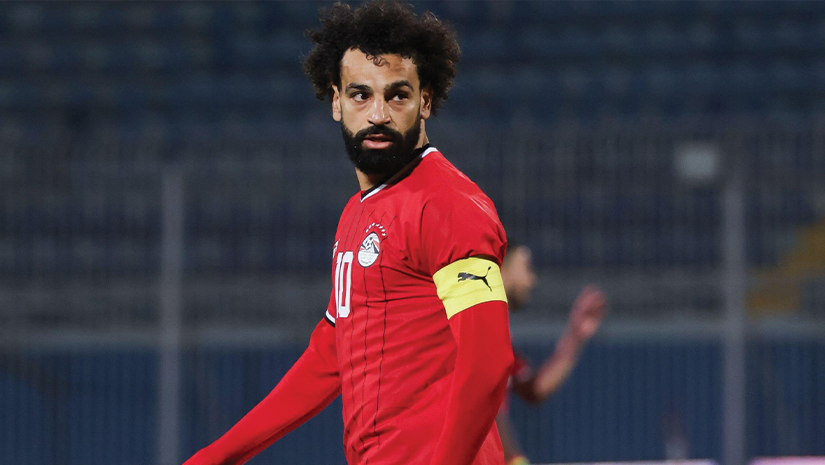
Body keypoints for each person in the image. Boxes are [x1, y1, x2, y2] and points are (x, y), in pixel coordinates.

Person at [182, 2, 514, 465]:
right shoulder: (357, 213)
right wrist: (216, 456)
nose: (378, 113)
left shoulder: (447, 204)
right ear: (336, 101)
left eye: (397, 95)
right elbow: (330, 355)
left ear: (426, 101)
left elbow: (488, 364)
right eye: (361, 95)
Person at [496, 245, 607, 465]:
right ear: (501, 270)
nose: (532, 280)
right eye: (527, 268)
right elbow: (483, 409)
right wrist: (512, 458)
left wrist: (575, 337)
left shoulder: (501, 340)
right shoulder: (472, 331)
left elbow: (534, 388)